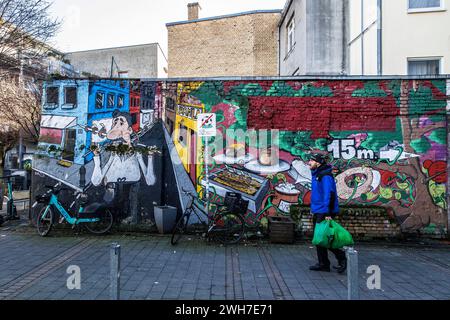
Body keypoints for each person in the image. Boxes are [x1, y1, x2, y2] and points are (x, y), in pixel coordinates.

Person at [308, 153, 347, 273]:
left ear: (318, 163)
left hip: (325, 211)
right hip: (319, 210)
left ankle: (341, 257)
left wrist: (327, 212)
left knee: (323, 238)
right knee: (318, 238)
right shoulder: (318, 174)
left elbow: (329, 194)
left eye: (311, 160)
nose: (309, 162)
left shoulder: (325, 176)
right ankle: (323, 264)